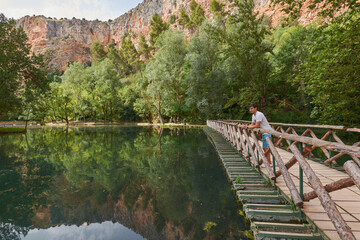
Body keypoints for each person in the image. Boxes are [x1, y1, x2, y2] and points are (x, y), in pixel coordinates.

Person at [243, 103, 273, 167]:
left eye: (251, 108)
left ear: (255, 108)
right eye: (249, 109)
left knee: (266, 148)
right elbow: (252, 124)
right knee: (267, 148)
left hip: (267, 132)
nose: (250, 110)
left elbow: (257, 125)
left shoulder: (259, 114)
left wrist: (248, 127)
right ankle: (272, 162)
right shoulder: (253, 116)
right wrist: (247, 126)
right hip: (264, 132)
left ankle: (269, 163)